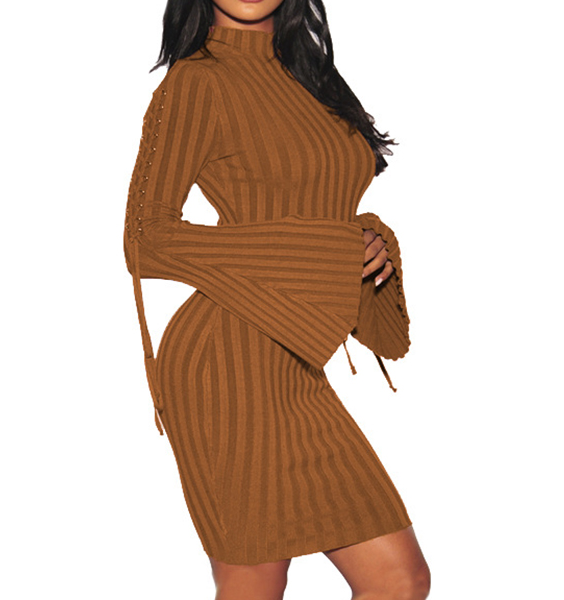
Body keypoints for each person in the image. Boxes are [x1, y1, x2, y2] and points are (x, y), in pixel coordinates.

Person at [123, 0, 431, 598]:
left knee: (400, 580)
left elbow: (321, 210)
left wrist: (365, 241)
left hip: (297, 358)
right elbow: (145, 238)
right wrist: (322, 249)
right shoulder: (197, 80)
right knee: (255, 583)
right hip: (226, 361)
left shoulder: (308, 74)